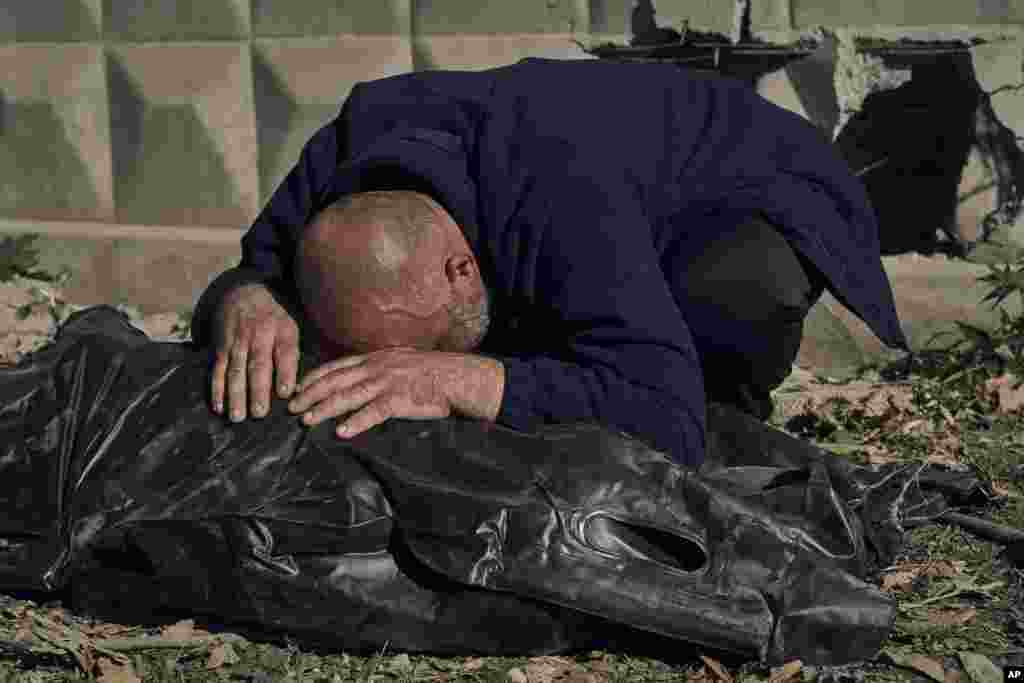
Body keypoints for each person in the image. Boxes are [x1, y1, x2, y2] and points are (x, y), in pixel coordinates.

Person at [191, 58, 909, 468]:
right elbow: (254, 268)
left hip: (758, 189)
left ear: (461, 271)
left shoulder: (564, 200)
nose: (389, 371)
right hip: (587, 171)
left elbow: (665, 411)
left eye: (418, 344)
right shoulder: (336, 159)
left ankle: (731, 396)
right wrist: (247, 296)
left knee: (735, 299)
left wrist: (455, 376)